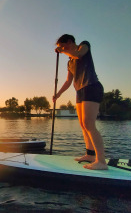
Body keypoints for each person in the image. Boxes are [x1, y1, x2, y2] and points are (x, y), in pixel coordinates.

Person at [53, 34, 108, 170]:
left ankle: (101, 161)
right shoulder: (70, 62)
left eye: (63, 46)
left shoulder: (84, 45)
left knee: (89, 124)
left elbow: (78, 54)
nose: (62, 50)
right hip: (80, 91)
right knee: (83, 125)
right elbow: (68, 81)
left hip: (91, 86)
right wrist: (58, 94)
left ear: (70, 42)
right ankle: (90, 155)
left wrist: (63, 50)